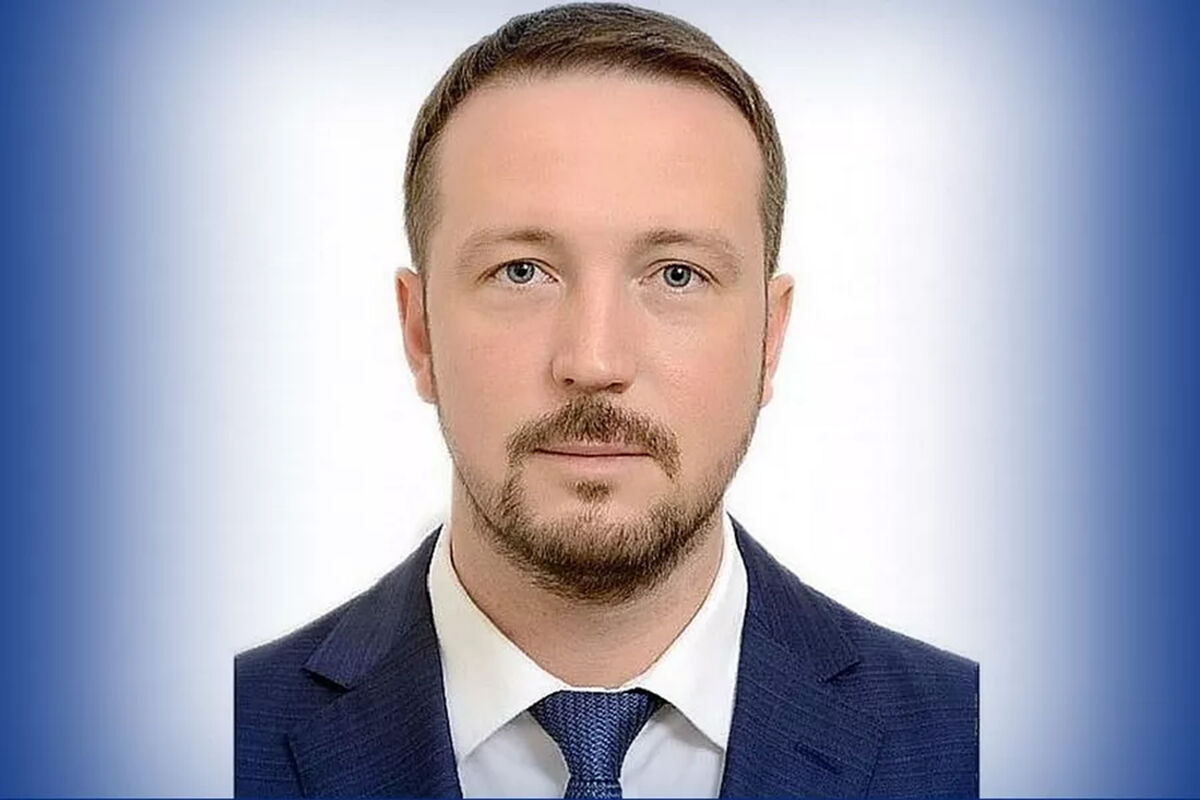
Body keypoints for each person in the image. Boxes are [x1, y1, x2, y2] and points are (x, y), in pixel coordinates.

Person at [234, 4, 978, 797]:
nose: (594, 361)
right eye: (521, 271)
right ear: (419, 331)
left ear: (771, 338)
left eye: (677, 275)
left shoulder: (972, 745)